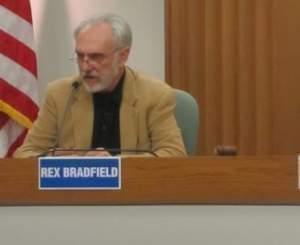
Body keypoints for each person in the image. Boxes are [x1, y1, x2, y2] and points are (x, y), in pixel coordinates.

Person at [14, 14, 186, 158]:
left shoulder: (155, 95)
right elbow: (25, 154)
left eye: (96, 57)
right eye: (81, 56)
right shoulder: (60, 94)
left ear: (123, 56)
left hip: (133, 194)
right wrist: (59, 160)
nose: (85, 66)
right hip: (73, 195)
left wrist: (113, 164)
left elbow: (174, 154)